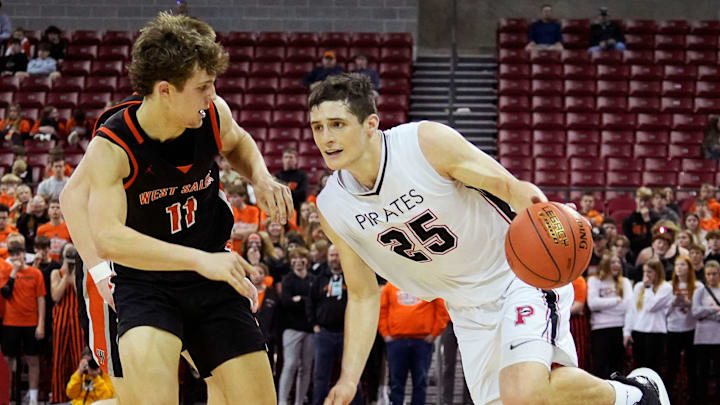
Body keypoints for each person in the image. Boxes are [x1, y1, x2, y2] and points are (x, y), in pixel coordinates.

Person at [310, 74, 670, 405]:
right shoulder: (332, 206)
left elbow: (507, 186)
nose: (326, 138)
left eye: (337, 124)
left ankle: (636, 395)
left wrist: (540, 209)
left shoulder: (423, 144)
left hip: (518, 276)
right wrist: (348, 379)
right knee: (529, 397)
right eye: (318, 127)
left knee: (524, 391)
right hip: (465, 309)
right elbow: (361, 293)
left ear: (371, 124)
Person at [60, 12, 292, 405]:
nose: (212, 94)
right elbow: (108, 236)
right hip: (145, 284)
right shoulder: (114, 146)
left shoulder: (212, 115)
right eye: (203, 86)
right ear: (165, 90)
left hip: (210, 277)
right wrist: (197, 260)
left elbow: (238, 143)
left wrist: (262, 177)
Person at [308, 244, 362, 405]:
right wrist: (314, 325)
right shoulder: (319, 278)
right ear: (327, 257)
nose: (334, 258)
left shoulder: (352, 278)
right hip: (324, 334)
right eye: (332, 255)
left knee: (351, 375)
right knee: (320, 376)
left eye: (337, 255)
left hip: (348, 335)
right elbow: (310, 303)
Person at [379, 282, 449, 405]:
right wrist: (385, 334)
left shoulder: (428, 284)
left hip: (421, 342)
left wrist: (434, 333)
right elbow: (381, 310)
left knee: (421, 382)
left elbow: (442, 310)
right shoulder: (390, 286)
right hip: (396, 342)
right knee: (396, 383)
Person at [0, 240, 45, 405]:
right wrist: (14, 272)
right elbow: (5, 293)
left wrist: (40, 324)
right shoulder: (6, 273)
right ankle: (9, 393)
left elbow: (41, 299)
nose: (16, 258)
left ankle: (33, 397)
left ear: (24, 255)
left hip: (30, 322)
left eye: (19, 254)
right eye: (13, 255)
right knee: (8, 359)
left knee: (33, 359)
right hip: (11, 322)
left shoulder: (36, 273)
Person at [623, 259, 672, 382]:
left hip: (656, 332)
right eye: (645, 272)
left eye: (650, 272)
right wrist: (627, 332)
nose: (646, 275)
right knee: (639, 367)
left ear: (657, 272)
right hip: (639, 330)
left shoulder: (665, 287)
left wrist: (648, 288)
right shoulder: (639, 286)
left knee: (654, 368)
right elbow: (632, 310)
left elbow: (652, 306)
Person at [278, 247, 315, 405]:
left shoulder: (313, 279)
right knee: (290, 364)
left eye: (302, 258)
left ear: (307, 260)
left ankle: (299, 402)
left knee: (306, 368)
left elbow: (314, 302)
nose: (298, 261)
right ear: (291, 261)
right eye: (295, 258)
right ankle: (282, 401)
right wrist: (304, 302)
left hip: (310, 329)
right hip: (291, 328)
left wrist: (300, 300)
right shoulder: (288, 280)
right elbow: (286, 302)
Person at [50, 243, 86, 403]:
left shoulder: (81, 273)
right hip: (61, 321)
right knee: (59, 359)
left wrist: (74, 277)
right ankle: (59, 397)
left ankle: (79, 395)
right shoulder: (56, 273)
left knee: (78, 356)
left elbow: (82, 297)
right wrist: (66, 275)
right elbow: (55, 296)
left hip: (77, 319)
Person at [587, 254, 632, 379]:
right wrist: (617, 300)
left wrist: (604, 306)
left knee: (618, 370)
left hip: (619, 328)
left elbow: (628, 306)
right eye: (613, 262)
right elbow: (592, 304)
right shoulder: (594, 281)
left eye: (618, 262)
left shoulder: (625, 282)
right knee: (599, 369)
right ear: (605, 264)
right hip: (600, 329)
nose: (617, 265)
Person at [665, 255, 701, 403]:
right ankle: (668, 398)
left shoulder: (698, 286)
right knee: (671, 367)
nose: (679, 268)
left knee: (693, 367)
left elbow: (700, 312)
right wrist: (674, 302)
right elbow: (663, 312)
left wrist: (688, 303)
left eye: (683, 265)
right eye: (677, 265)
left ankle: (694, 398)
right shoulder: (668, 286)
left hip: (691, 330)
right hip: (673, 329)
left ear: (689, 268)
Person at [691, 261, 720, 404]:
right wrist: (715, 310)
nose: (712, 277)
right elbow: (696, 312)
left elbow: (702, 312)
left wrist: (706, 313)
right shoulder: (700, 291)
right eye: (709, 274)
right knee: (702, 372)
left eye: (714, 274)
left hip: (718, 338)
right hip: (702, 338)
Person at [623, 187, 659, 257]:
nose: (643, 204)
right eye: (641, 200)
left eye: (646, 201)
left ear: (649, 202)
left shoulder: (655, 218)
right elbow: (629, 241)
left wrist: (647, 221)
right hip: (634, 252)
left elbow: (654, 238)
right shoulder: (628, 219)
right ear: (636, 199)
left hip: (651, 252)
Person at [275, 147, 309, 213]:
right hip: (281, 210)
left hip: (298, 209)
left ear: (296, 160)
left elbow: (303, 194)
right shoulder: (277, 176)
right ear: (282, 159)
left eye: (291, 157)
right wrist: (293, 193)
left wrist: (284, 193)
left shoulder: (302, 175)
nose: (288, 160)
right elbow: (275, 195)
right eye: (286, 157)